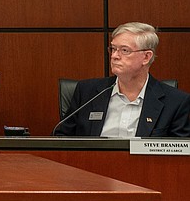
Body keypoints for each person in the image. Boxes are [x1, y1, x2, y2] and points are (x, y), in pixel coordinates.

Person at [55, 22, 190, 137]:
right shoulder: (87, 92)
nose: (114, 56)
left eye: (124, 50)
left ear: (146, 57)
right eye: (113, 49)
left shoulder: (176, 103)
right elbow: (60, 139)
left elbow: (179, 158)